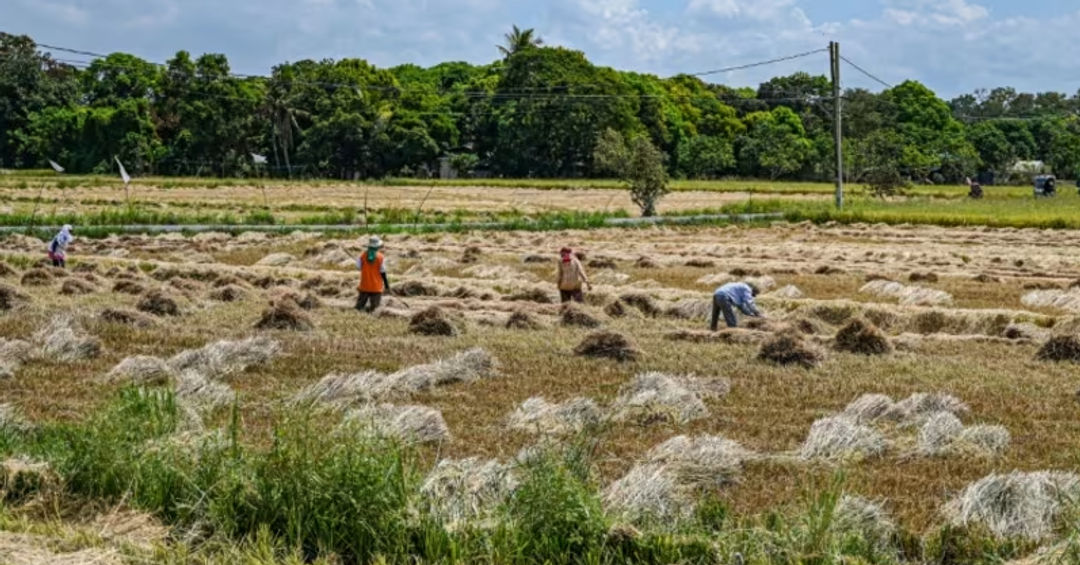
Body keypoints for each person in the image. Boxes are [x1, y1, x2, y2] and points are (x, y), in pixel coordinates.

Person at [356, 236, 390, 313]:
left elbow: (358, 267)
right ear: (378, 246)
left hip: (364, 285)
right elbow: (383, 272)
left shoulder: (362, 256)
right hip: (376, 286)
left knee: (359, 307)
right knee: (374, 309)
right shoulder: (380, 257)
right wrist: (386, 285)